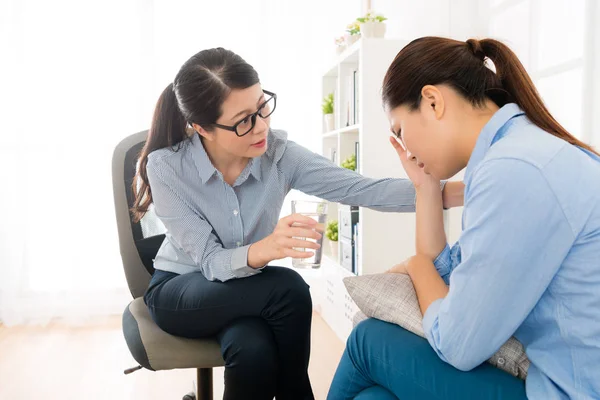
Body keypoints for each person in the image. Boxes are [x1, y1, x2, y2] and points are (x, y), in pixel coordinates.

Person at [130, 47, 462, 400]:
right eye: (244, 120)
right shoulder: (166, 167)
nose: (261, 126)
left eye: (262, 107)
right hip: (180, 289)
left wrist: (473, 189)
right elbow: (211, 262)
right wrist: (266, 248)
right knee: (288, 287)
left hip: (249, 293)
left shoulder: (279, 155)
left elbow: (363, 190)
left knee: (253, 350)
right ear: (202, 129)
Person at [328, 36, 600, 400]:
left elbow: (457, 342)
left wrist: (415, 265)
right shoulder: (516, 152)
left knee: (367, 340)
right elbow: (450, 272)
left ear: (432, 101)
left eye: (401, 132)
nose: (407, 150)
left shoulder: (514, 170)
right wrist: (426, 187)